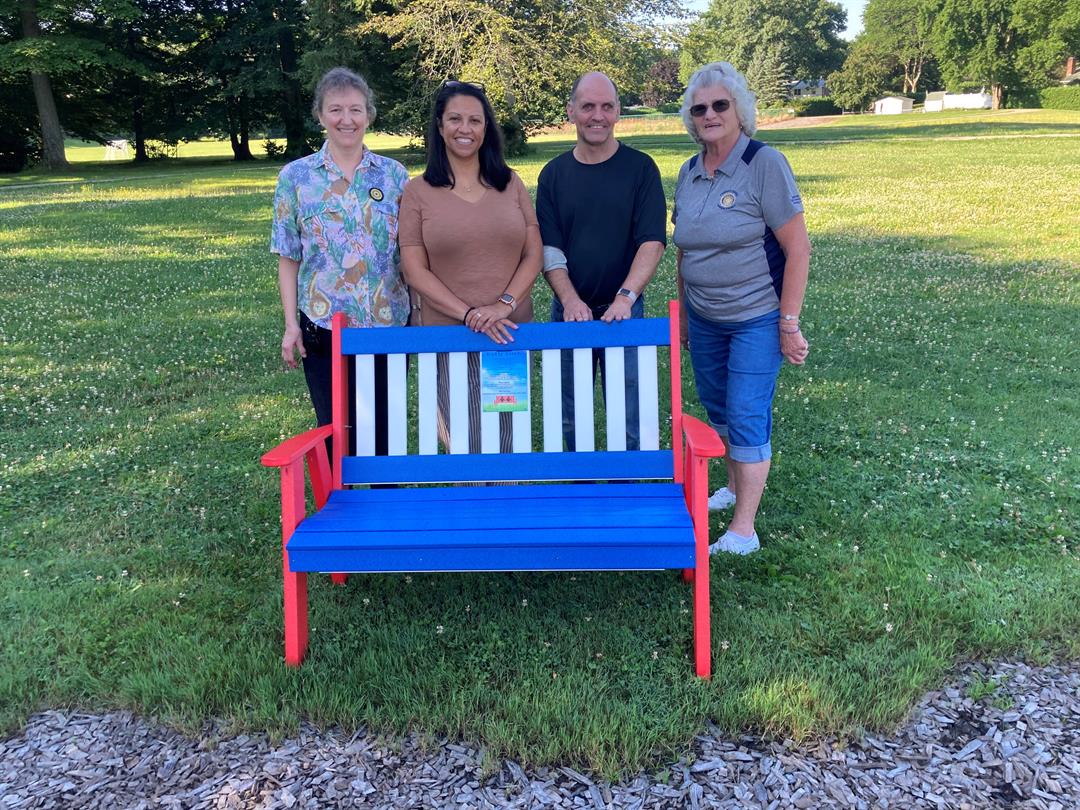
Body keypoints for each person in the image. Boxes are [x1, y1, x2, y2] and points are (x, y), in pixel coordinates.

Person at [672, 62, 811, 555]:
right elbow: (685, 251)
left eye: (719, 105)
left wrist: (788, 323)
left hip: (756, 316)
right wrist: (686, 314)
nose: (709, 114)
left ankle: (743, 530)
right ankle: (731, 486)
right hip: (705, 316)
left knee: (747, 414)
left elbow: (798, 248)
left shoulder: (763, 163)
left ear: (739, 110)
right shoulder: (689, 172)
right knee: (719, 410)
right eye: (699, 108)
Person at [271, 67, 410, 457]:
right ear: (320, 115)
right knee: (334, 429)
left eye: (355, 109)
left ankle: (385, 509)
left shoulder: (395, 175)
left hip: (388, 322)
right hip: (322, 322)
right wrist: (289, 326)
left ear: (369, 114)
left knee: (387, 431)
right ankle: (340, 506)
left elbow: (412, 251)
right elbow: (288, 257)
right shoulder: (295, 178)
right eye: (335, 110)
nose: (346, 120)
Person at [398, 81, 542, 452]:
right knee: (462, 441)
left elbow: (533, 253)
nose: (466, 129)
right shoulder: (417, 192)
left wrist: (502, 307)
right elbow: (415, 271)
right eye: (456, 119)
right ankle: (474, 508)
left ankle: (505, 509)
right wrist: (470, 316)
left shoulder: (510, 184)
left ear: (486, 128)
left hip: (508, 336)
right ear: (440, 126)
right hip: (448, 337)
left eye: (475, 120)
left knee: (506, 438)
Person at [536, 72, 666, 451]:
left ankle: (627, 493)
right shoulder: (553, 175)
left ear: (618, 112)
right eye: (588, 106)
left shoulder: (640, 169)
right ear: (571, 111)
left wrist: (625, 298)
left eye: (607, 106)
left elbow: (652, 241)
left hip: (624, 313)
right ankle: (580, 492)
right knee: (569, 414)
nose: (598, 115)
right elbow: (550, 248)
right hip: (569, 313)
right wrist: (570, 300)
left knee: (629, 415)